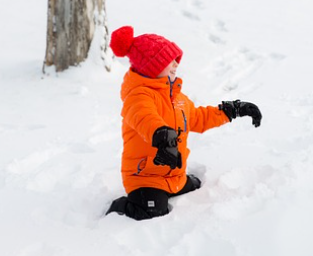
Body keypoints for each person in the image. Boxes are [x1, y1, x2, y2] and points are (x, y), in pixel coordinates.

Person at [106, 26, 262, 220]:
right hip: (145, 178)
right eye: (168, 61)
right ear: (151, 67)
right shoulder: (137, 97)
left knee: (196, 188)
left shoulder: (178, 99)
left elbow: (200, 118)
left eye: (175, 60)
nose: (175, 65)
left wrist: (233, 109)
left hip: (174, 176)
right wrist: (162, 135)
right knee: (153, 211)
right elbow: (145, 119)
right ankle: (121, 206)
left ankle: (178, 183)